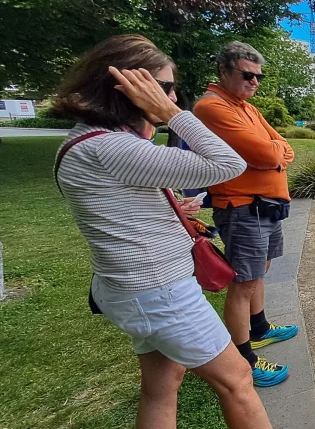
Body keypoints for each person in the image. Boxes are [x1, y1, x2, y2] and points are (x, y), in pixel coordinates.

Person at [52, 35, 271, 428]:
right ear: (131, 89)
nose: (173, 94)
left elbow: (118, 205)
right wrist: (172, 113)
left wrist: (168, 206)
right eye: (165, 87)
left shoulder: (89, 141)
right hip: (158, 291)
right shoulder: (111, 147)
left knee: (163, 382)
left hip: (129, 288)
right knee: (237, 379)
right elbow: (227, 163)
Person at [193, 42, 297, 387]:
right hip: (242, 208)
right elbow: (266, 154)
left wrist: (274, 151)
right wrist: (272, 153)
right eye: (247, 74)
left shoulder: (245, 108)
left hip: (264, 207)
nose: (254, 82)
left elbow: (283, 147)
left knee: (259, 271)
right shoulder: (213, 107)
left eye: (258, 76)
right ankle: (244, 358)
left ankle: (260, 328)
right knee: (243, 282)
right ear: (223, 72)